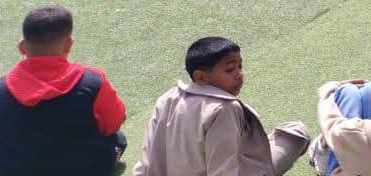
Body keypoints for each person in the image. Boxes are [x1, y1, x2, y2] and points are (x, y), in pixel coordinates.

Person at [0, 4, 128, 174]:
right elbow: (114, 122)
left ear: (22, 46)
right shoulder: (93, 81)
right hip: (80, 169)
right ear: (68, 44)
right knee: (118, 138)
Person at [132, 36, 309, 176]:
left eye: (240, 66)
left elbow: (146, 160)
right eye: (230, 69)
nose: (239, 74)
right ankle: (319, 151)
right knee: (296, 131)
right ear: (201, 77)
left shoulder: (167, 98)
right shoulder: (224, 108)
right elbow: (223, 171)